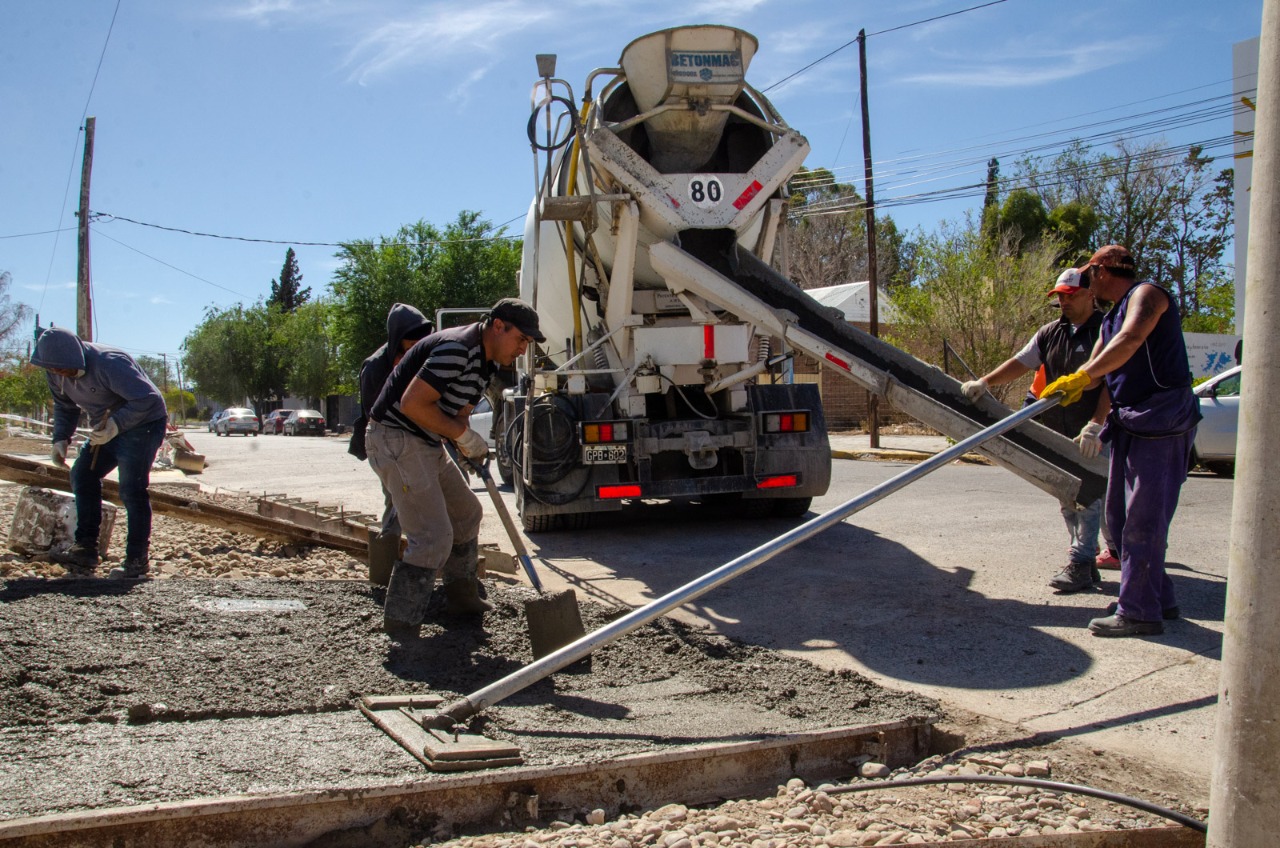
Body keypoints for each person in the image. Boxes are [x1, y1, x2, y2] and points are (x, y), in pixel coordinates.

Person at [1040, 245, 1201, 637]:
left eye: (1087, 277)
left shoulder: (1148, 295)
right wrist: (1071, 385)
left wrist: (1083, 378)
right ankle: (1158, 596)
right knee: (1120, 519)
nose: (1085, 287)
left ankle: (1139, 613)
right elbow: (1098, 368)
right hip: (1130, 422)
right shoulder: (1112, 317)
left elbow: (1130, 341)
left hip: (1162, 421)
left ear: (1100, 272)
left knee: (1144, 521)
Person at [366, 297, 544, 636]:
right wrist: (463, 435)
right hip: (395, 439)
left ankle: (462, 598)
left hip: (425, 439)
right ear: (497, 327)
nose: (523, 348)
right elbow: (413, 404)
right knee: (432, 537)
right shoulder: (458, 348)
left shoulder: (485, 363)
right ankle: (401, 624)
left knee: (466, 515)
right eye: (521, 339)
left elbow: (458, 413)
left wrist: (465, 444)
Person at [962, 267, 1114, 593]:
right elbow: (1022, 361)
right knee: (1065, 495)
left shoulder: (1106, 331)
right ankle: (1084, 559)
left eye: (1070, 296)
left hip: (1092, 432)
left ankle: (1082, 561)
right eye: (1059, 296)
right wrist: (986, 381)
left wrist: (1096, 424)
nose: (1064, 302)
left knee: (1089, 497)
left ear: (1090, 294)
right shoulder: (1050, 333)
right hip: (1059, 429)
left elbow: (1113, 384)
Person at [31, 327, 169, 579]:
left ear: (75, 357)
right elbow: (64, 406)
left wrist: (116, 425)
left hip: (143, 425)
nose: (59, 374)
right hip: (105, 428)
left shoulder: (109, 363)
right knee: (83, 475)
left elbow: (149, 400)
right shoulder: (54, 371)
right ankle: (85, 548)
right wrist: (61, 438)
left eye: (62, 368)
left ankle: (137, 561)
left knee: (131, 489)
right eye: (53, 369)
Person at [352, 303, 434, 587]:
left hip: (421, 441)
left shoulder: (422, 357)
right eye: (411, 342)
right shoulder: (376, 367)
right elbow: (375, 416)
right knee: (397, 504)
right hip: (389, 445)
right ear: (398, 339)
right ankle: (382, 580)